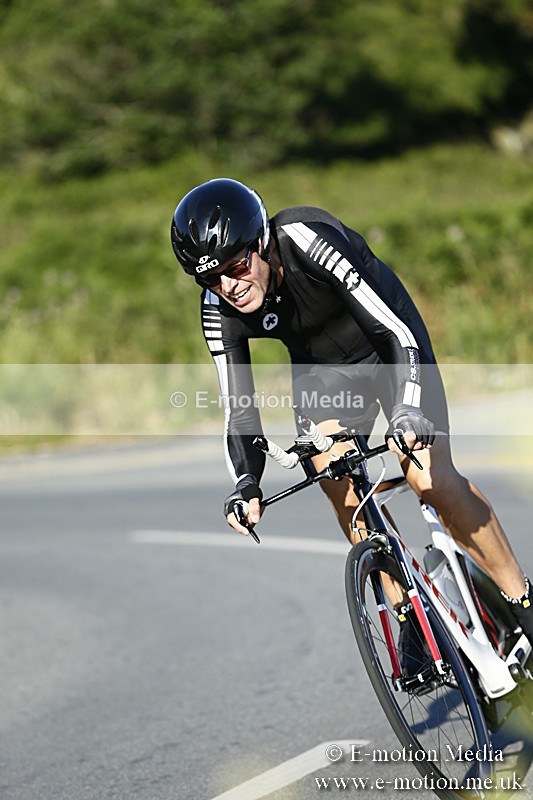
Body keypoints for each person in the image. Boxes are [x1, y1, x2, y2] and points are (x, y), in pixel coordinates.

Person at [170, 177, 533, 648]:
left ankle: (521, 600)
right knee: (338, 483)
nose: (228, 287)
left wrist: (406, 409)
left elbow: (394, 332)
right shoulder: (217, 308)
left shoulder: (305, 240)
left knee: (429, 479)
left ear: (261, 242)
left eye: (236, 267)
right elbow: (238, 411)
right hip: (325, 376)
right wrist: (246, 483)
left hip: (390, 347)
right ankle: (410, 619)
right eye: (209, 278)